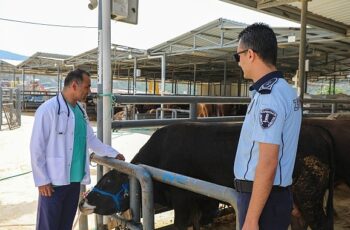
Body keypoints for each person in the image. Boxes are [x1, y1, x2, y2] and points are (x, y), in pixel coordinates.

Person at [30, 68, 125, 230]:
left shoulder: (80, 111)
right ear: (74, 85)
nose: (89, 91)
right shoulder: (48, 110)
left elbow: (91, 140)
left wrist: (113, 153)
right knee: (48, 226)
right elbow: (36, 146)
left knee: (65, 225)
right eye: (87, 87)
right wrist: (42, 179)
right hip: (52, 183)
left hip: (74, 182)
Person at [233, 23, 302, 230]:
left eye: (238, 56)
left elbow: (268, 161)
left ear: (251, 54)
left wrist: (252, 218)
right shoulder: (286, 91)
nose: (238, 63)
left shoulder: (269, 97)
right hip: (273, 197)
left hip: (262, 199)